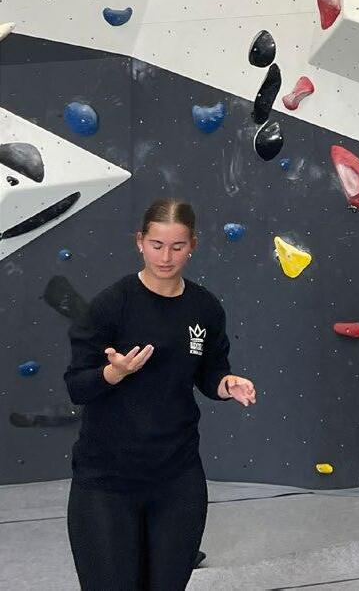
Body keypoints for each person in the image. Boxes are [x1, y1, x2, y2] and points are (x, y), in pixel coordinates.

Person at [63, 198, 256, 591]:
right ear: (140, 242)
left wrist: (226, 384)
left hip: (176, 476)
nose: (166, 257)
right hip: (107, 479)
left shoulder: (204, 308)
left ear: (193, 246)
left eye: (177, 246)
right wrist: (114, 373)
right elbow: (77, 386)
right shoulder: (111, 305)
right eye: (156, 245)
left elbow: (210, 371)